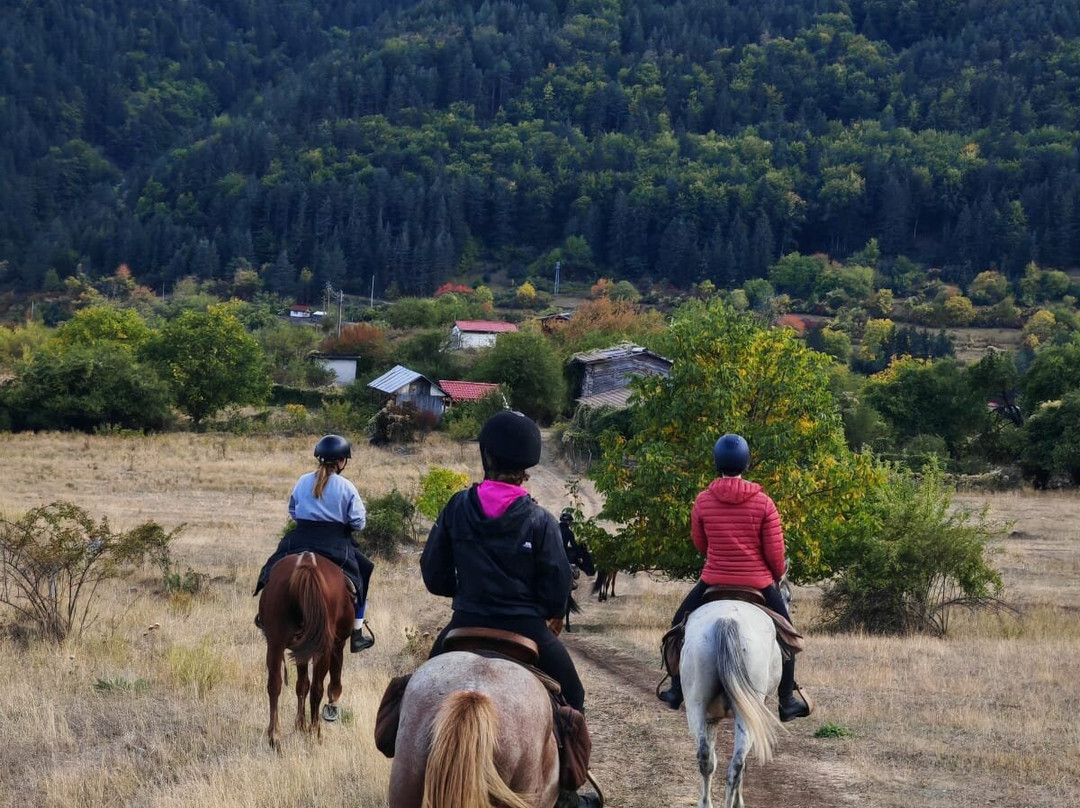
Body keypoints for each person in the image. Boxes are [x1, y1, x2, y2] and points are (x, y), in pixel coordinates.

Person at [421, 411, 599, 808]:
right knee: (573, 697)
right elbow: (556, 594)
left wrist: (463, 590)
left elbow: (434, 576)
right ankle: (568, 792)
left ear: (486, 457)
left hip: (463, 623)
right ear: (528, 465)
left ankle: (413, 760)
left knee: (414, 694)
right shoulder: (540, 519)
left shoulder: (455, 507)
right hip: (526, 630)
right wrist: (541, 609)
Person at [657, 433, 813, 722]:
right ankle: (787, 699)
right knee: (789, 636)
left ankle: (676, 687)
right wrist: (776, 575)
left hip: (713, 579)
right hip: (759, 582)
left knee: (677, 627)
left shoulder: (703, 500)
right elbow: (775, 553)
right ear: (746, 462)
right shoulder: (764, 503)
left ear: (717, 462)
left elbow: (700, 543)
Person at [254, 434, 375, 653]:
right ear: (341, 461)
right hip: (335, 540)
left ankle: (265, 616)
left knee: (271, 568)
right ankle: (357, 631)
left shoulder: (302, 481)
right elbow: (359, 522)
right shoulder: (347, 487)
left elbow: (292, 509)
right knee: (363, 572)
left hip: (300, 536)